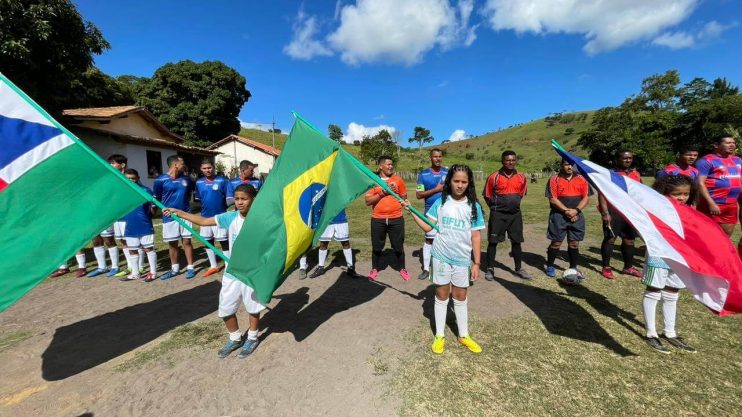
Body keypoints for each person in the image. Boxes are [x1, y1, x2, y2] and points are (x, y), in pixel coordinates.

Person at [164, 184, 264, 359]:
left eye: (244, 199)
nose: (240, 202)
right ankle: (235, 338)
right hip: (232, 271)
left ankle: (253, 337)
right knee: (226, 307)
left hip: (251, 272)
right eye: (237, 199)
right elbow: (203, 221)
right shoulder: (230, 217)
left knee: (253, 306)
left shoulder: (260, 220)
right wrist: (178, 212)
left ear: (253, 200)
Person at [403, 164, 484, 354]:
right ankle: (439, 335)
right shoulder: (441, 202)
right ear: (450, 181)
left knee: (460, 296)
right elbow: (429, 227)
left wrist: (477, 262)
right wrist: (412, 210)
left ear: (469, 183)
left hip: (462, 259)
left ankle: (463, 335)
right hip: (440, 257)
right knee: (441, 295)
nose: (459, 185)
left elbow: (476, 236)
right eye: (456, 181)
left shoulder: (474, 206)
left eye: (464, 182)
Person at [641, 174, 697, 353]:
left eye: (686, 194)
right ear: (664, 193)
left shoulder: (689, 210)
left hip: (679, 257)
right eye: (677, 194)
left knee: (673, 291)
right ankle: (651, 333)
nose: (682, 197)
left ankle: (670, 332)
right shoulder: (655, 210)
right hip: (658, 255)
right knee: (654, 290)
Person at [482, 151, 531, 280]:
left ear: (516, 161)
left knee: (517, 241)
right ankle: (490, 268)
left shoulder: (521, 177)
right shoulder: (494, 177)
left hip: (515, 215)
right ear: (502, 161)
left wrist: (511, 205)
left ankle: (519, 268)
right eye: (508, 160)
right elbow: (487, 196)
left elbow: (520, 194)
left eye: (513, 160)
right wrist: (496, 208)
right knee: (493, 242)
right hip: (498, 215)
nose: (511, 162)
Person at [598, 150, 643, 279]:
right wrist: (605, 212)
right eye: (625, 158)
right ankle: (606, 267)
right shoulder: (609, 174)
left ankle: (628, 267)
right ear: (617, 159)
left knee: (629, 240)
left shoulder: (635, 174)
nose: (628, 160)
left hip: (630, 213)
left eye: (630, 158)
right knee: (610, 238)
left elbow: (640, 193)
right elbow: (602, 193)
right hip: (614, 212)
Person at [544, 160, 592, 278]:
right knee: (556, 242)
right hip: (559, 215)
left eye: (571, 164)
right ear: (561, 165)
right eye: (566, 164)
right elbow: (553, 199)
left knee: (574, 243)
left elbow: (586, 198)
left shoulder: (582, 179)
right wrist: (566, 211)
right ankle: (550, 266)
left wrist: (576, 211)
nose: (569, 167)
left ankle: (573, 268)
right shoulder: (554, 179)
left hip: (577, 215)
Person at [364, 155, 409, 281]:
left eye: (391, 164)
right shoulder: (373, 181)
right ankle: (374, 269)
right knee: (377, 246)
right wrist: (384, 192)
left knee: (398, 246)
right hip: (378, 219)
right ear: (381, 166)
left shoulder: (398, 180)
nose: (391, 166)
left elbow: (404, 197)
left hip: (396, 218)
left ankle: (402, 268)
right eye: (388, 164)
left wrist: (406, 202)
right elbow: (368, 201)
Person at [696, 136, 742, 256]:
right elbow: (700, 183)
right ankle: (704, 260)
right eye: (728, 143)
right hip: (712, 204)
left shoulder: (738, 160)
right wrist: (711, 203)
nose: (732, 145)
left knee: (725, 238)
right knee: (708, 237)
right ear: (716, 145)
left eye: (733, 143)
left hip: (731, 205)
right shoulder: (706, 161)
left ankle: (718, 260)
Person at [154, 155, 196, 280]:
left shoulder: (186, 179)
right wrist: (162, 209)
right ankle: (175, 269)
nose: (184, 165)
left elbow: (189, 194)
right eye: (182, 162)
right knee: (172, 243)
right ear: (175, 165)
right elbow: (156, 198)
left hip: (185, 214)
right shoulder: (160, 180)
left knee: (187, 241)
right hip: (169, 216)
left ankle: (190, 267)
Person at [119, 169, 158, 282]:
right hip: (130, 226)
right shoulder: (122, 192)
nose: (131, 180)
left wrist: (148, 217)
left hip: (144, 225)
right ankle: (135, 273)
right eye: (128, 178)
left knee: (148, 249)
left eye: (133, 178)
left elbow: (154, 207)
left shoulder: (146, 190)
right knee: (132, 250)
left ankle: (153, 272)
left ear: (138, 178)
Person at [415, 148, 448, 280]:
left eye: (440, 156)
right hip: (430, 211)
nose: (438, 159)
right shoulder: (423, 174)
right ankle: (426, 269)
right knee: (429, 239)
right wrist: (436, 189)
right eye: (435, 156)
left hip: (447, 211)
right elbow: (418, 195)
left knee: (446, 239)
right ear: (431, 158)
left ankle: (444, 267)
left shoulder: (448, 172)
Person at [298, 209, 359, 279]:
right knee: (323, 243)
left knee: (345, 243)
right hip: (326, 219)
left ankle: (350, 268)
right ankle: (321, 267)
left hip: (340, 219)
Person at [195, 159, 230, 277]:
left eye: (209, 168)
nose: (207, 170)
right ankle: (213, 266)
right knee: (207, 241)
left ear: (213, 167)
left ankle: (228, 265)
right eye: (204, 168)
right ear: (201, 169)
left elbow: (228, 199)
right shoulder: (199, 182)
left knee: (224, 241)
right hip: (205, 217)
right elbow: (200, 199)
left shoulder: (222, 181)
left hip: (220, 216)